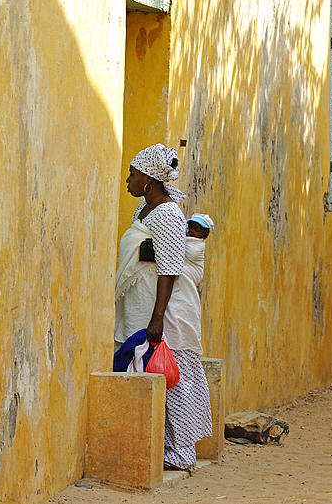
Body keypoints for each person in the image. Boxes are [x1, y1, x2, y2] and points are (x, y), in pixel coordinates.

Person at [114, 143, 212, 471]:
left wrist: (158, 319)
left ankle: (180, 453)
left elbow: (170, 265)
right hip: (143, 302)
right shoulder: (144, 209)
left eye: (133, 174)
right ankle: (155, 445)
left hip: (165, 309)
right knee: (148, 373)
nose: (128, 179)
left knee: (172, 376)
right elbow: (150, 252)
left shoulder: (168, 212)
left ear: (149, 181)